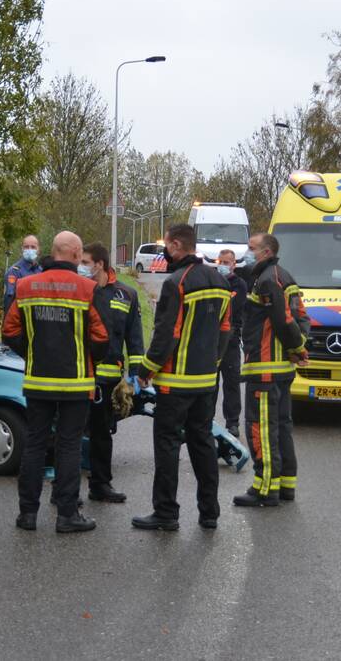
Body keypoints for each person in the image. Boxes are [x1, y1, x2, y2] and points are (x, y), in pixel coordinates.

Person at [2, 231, 109, 533]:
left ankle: (27, 515)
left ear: (52, 251)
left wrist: (33, 352)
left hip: (38, 380)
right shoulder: (87, 288)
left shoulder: (25, 286)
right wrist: (91, 360)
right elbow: (101, 338)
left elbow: (9, 333)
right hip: (76, 382)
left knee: (35, 444)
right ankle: (66, 515)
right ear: (76, 254)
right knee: (68, 446)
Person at [133, 224, 232, 531]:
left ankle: (166, 513)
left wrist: (146, 369)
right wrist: (213, 363)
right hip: (206, 382)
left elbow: (166, 335)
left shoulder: (177, 282)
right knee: (202, 444)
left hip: (175, 383)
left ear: (177, 245)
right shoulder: (219, 280)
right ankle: (209, 513)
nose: (166, 252)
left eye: (168, 246)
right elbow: (226, 330)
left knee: (167, 445)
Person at [234, 233, 309, 508]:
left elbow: (283, 319)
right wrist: (299, 346)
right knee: (281, 427)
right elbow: (302, 316)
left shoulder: (267, 280)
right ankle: (285, 484)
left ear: (265, 252)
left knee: (262, 428)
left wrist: (298, 348)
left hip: (265, 368)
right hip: (281, 369)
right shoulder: (283, 275)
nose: (247, 251)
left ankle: (264, 488)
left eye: (252, 248)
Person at [80, 242, 144, 503]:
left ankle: (100, 485)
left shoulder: (126, 294)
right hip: (81, 375)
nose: (80, 267)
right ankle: (66, 490)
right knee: (69, 434)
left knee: (102, 435)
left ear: (100, 264)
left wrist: (136, 377)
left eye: (85, 262)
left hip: (108, 380)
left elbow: (135, 337)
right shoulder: (81, 292)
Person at [214, 249, 247, 437]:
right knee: (211, 383)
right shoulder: (213, 281)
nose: (224, 265)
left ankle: (232, 423)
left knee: (232, 382)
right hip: (212, 340)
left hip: (231, 340)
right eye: (222, 261)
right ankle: (206, 420)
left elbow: (234, 308)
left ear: (234, 264)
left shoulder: (239, 285)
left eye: (228, 262)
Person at [3, 235, 42, 313]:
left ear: (38, 250)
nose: (29, 250)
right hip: (19, 319)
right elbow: (9, 300)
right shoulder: (14, 272)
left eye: (33, 247)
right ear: (22, 249)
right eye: (26, 247)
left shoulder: (41, 271)